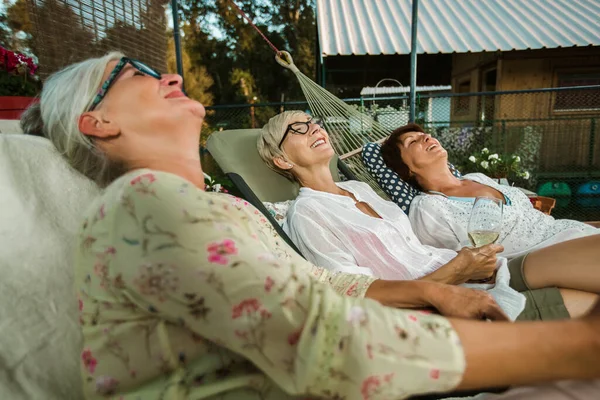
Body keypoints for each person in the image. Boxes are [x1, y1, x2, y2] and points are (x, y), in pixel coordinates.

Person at [22, 52, 600, 400]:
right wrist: (573, 348)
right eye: (134, 73)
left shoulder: (212, 208)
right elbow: (321, 338)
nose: (170, 77)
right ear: (94, 121)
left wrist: (431, 287)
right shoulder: (144, 202)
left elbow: (315, 290)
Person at [257, 111, 599, 322]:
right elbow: (357, 294)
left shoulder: (359, 188)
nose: (314, 128)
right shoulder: (307, 215)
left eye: (313, 122)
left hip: (484, 273)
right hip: (450, 303)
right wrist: (457, 271)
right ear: (282, 160)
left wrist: (467, 264)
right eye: (297, 129)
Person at [380, 123, 599, 259]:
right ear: (405, 169)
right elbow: (458, 264)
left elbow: (537, 221)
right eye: (413, 141)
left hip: (568, 234)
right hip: (547, 258)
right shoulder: (429, 208)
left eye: (425, 134)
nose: (426, 137)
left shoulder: (477, 178)